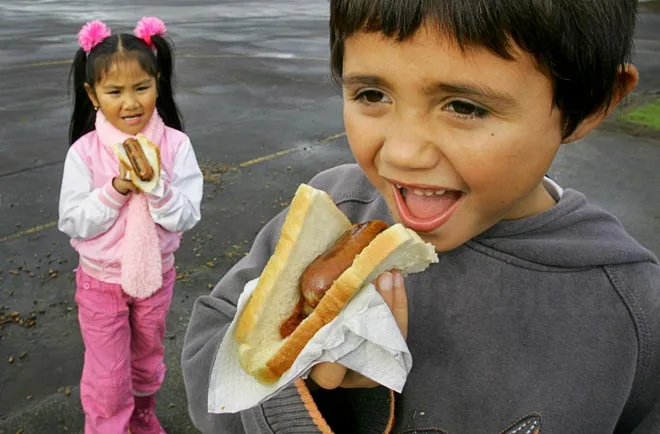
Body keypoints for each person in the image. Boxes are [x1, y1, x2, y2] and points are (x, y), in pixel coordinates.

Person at [181, 0, 660, 432]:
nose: (404, 154)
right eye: (372, 95)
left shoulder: (634, 308)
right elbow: (208, 365)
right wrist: (313, 397)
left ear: (592, 101)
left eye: (465, 106)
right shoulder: (336, 212)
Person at [58, 17, 203, 434]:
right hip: (100, 283)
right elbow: (73, 221)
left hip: (155, 278)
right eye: (114, 91)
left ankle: (142, 419)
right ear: (92, 95)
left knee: (146, 363)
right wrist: (116, 189)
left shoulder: (175, 146)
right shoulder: (85, 153)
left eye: (141, 87)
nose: (130, 102)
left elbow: (187, 214)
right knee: (108, 379)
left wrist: (156, 187)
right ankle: (107, 427)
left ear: (158, 83)